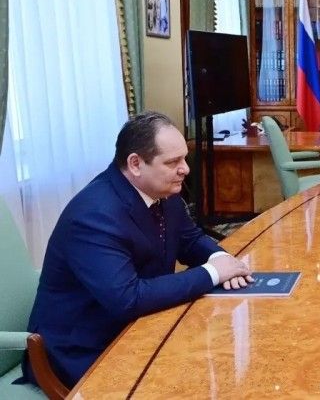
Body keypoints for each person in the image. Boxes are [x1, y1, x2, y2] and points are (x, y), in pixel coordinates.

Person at [22, 111, 254, 388]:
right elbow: (127, 299)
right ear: (135, 164)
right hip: (83, 351)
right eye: (173, 162)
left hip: (142, 327)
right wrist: (213, 273)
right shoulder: (93, 215)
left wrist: (222, 259)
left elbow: (190, 240)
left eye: (184, 158)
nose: (185, 169)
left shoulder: (163, 191)